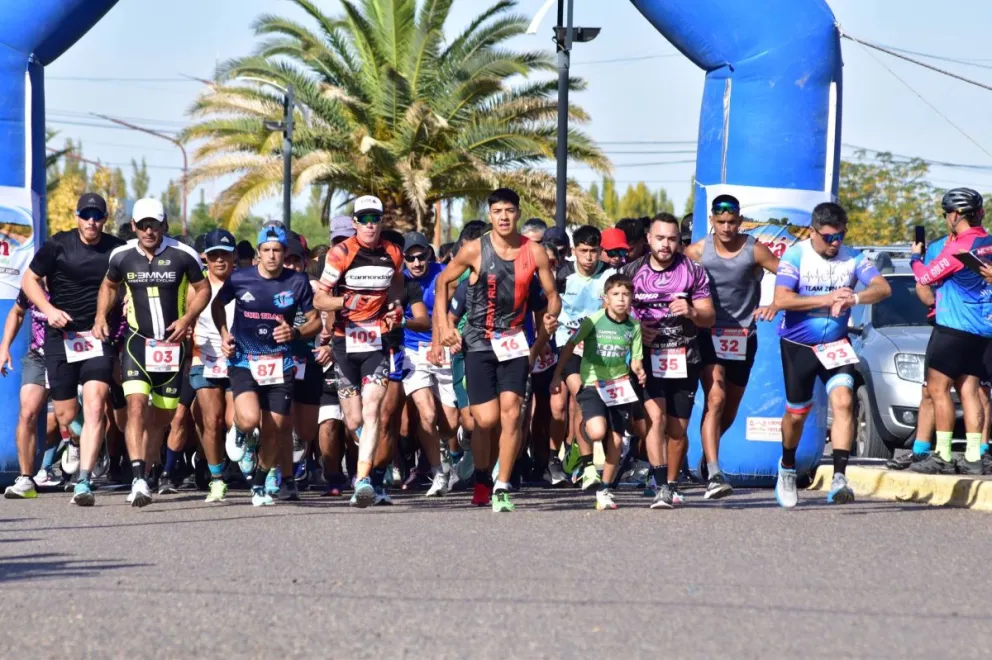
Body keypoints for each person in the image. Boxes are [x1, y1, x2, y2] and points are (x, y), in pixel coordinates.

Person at [434, 188, 560, 512]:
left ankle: (502, 485)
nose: (504, 217)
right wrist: (445, 329)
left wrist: (551, 316)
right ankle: (480, 479)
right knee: (485, 421)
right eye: (497, 211)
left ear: (518, 213)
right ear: (490, 215)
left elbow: (551, 293)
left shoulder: (535, 252)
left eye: (509, 210)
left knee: (512, 413)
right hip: (478, 342)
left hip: (514, 342)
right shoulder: (475, 250)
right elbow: (443, 283)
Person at [92, 198, 211, 507]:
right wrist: (101, 316)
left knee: (161, 418)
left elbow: (204, 289)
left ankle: (148, 467)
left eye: (154, 224)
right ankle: (138, 478)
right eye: (142, 225)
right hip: (137, 343)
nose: (148, 230)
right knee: (135, 406)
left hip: (172, 346)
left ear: (164, 225)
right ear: (133, 227)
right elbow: (108, 286)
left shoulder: (182, 255)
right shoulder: (122, 256)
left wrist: (187, 320)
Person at [773, 202, 891, 508]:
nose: (835, 243)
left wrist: (854, 297)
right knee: (797, 415)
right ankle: (786, 466)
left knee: (844, 401)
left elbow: (882, 288)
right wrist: (826, 299)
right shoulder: (795, 255)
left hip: (836, 344)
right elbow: (782, 300)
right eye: (828, 237)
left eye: (840, 236)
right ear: (813, 231)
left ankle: (840, 478)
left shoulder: (852, 257)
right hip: (798, 345)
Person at [21, 192, 125, 506]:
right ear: (76, 216)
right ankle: (76, 442)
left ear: (105, 219)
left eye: (97, 216)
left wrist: (110, 313)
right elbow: (29, 280)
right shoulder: (58, 244)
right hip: (60, 336)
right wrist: (48, 309)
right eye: (86, 215)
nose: (91, 222)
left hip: (97, 335)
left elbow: (126, 286)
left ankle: (84, 480)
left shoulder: (116, 249)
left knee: (95, 404)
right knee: (66, 416)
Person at [213, 224, 320, 507]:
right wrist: (225, 334)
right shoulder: (239, 278)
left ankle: (260, 483)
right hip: (244, 359)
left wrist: (295, 333)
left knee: (278, 427)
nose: (272, 255)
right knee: (248, 418)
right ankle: (239, 431)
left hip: (279, 361)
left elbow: (316, 321)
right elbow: (215, 305)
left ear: (284, 253)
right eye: (266, 250)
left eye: (277, 250)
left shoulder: (297, 282)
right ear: (258, 253)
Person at [684, 194, 780, 499]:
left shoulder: (754, 249)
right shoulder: (697, 251)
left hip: (743, 336)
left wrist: (775, 304)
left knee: (730, 407)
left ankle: (708, 455)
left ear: (740, 221)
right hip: (707, 333)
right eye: (721, 222)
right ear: (712, 221)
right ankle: (714, 470)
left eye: (732, 222)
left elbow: (789, 276)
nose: (727, 227)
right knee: (716, 396)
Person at [313, 196, 404, 508]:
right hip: (343, 340)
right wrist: (344, 303)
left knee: (372, 409)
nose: (369, 224)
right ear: (354, 222)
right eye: (363, 218)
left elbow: (397, 284)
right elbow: (319, 300)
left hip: (375, 341)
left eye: (374, 218)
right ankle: (367, 448)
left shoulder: (393, 251)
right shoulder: (341, 253)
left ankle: (363, 479)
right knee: (353, 420)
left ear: (381, 222)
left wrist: (394, 308)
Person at [624, 213, 715, 509]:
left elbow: (709, 315)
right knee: (655, 419)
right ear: (649, 238)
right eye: (660, 238)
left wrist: (691, 312)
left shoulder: (694, 271)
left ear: (679, 241)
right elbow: (615, 314)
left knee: (677, 431)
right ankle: (661, 482)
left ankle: (672, 483)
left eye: (672, 239)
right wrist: (637, 329)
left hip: (684, 357)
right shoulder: (631, 271)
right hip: (647, 359)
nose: (665, 245)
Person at [907, 188, 992, 476]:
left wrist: (915, 257)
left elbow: (925, 277)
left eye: (946, 215)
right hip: (982, 330)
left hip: (954, 328)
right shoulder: (988, 242)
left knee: (937, 389)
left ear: (955, 215)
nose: (946, 220)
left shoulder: (958, 247)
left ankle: (942, 453)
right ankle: (972, 456)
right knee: (969, 391)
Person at [551, 273, 645, 510]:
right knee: (596, 431)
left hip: (619, 388)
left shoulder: (634, 326)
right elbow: (570, 346)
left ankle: (604, 489)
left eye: (626, 294)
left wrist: (639, 371)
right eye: (616, 295)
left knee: (614, 440)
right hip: (593, 384)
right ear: (606, 298)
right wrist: (556, 374)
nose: (621, 299)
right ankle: (585, 448)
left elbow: (635, 359)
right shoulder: (592, 321)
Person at [552, 225, 617, 489]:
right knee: (582, 396)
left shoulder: (610, 276)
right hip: (567, 346)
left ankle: (579, 453)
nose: (589, 257)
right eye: (583, 251)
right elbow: (548, 307)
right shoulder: (562, 275)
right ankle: (588, 467)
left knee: (586, 407)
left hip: (600, 348)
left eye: (594, 251)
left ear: (601, 251)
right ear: (574, 251)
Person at [887, 231, 952, 471]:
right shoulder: (938, 248)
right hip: (944, 327)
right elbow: (923, 285)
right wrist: (936, 303)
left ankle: (977, 453)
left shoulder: (980, 245)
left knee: (977, 392)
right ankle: (920, 452)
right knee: (930, 390)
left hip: (975, 329)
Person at [399, 231, 454, 497]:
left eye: (422, 257)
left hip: (443, 350)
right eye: (411, 258)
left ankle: (448, 451)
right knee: (427, 414)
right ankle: (438, 473)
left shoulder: (445, 273)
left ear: (429, 255)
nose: (417, 263)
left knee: (450, 426)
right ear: (404, 259)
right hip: (412, 351)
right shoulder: (397, 280)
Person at [189, 229, 237, 502]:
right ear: (205, 258)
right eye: (214, 255)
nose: (220, 261)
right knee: (212, 420)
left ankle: (236, 454)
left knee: (236, 421)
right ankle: (216, 479)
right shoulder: (195, 286)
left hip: (237, 359)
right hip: (203, 358)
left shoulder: (245, 283)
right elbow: (185, 319)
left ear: (233, 258)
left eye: (225, 255)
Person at [0, 288, 61, 498]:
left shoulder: (74, 280)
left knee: (67, 417)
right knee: (27, 414)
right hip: (39, 356)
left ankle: (79, 454)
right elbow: (16, 312)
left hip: (71, 355)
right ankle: (26, 479)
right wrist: (4, 347)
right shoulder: (31, 286)